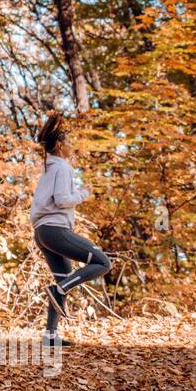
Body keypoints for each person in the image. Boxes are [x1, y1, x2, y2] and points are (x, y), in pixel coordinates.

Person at [30, 111, 111, 347]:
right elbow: (63, 199)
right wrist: (85, 193)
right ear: (60, 145)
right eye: (69, 142)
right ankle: (60, 288)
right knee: (103, 263)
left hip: (42, 233)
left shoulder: (49, 167)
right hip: (54, 230)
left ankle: (50, 337)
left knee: (63, 277)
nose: (72, 146)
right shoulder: (62, 167)